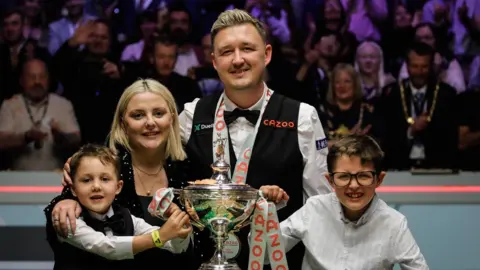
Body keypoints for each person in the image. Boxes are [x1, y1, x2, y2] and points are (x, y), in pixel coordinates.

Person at [179, 9, 331, 269]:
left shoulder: (303, 116)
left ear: (267, 54)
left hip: (280, 262)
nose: (238, 60)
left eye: (247, 48)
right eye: (227, 52)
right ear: (214, 61)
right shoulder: (192, 115)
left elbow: (320, 205)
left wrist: (275, 244)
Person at [45, 79, 196, 268]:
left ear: (172, 118)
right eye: (138, 115)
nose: (150, 122)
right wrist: (65, 202)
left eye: (158, 113)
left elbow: (187, 244)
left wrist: (182, 231)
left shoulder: (189, 167)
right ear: (124, 123)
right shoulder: (103, 168)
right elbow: (66, 227)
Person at [273, 134, 429, 269]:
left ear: (379, 179)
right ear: (330, 180)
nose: (353, 185)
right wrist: (264, 209)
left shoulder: (394, 223)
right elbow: (265, 252)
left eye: (363, 176)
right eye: (344, 176)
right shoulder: (314, 209)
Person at [51, 144, 192, 269]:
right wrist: (159, 237)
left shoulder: (127, 217)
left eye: (105, 179)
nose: (96, 186)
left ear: (118, 187)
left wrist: (181, 226)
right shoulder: (68, 220)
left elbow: (175, 247)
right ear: (74, 189)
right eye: (86, 180)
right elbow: (107, 247)